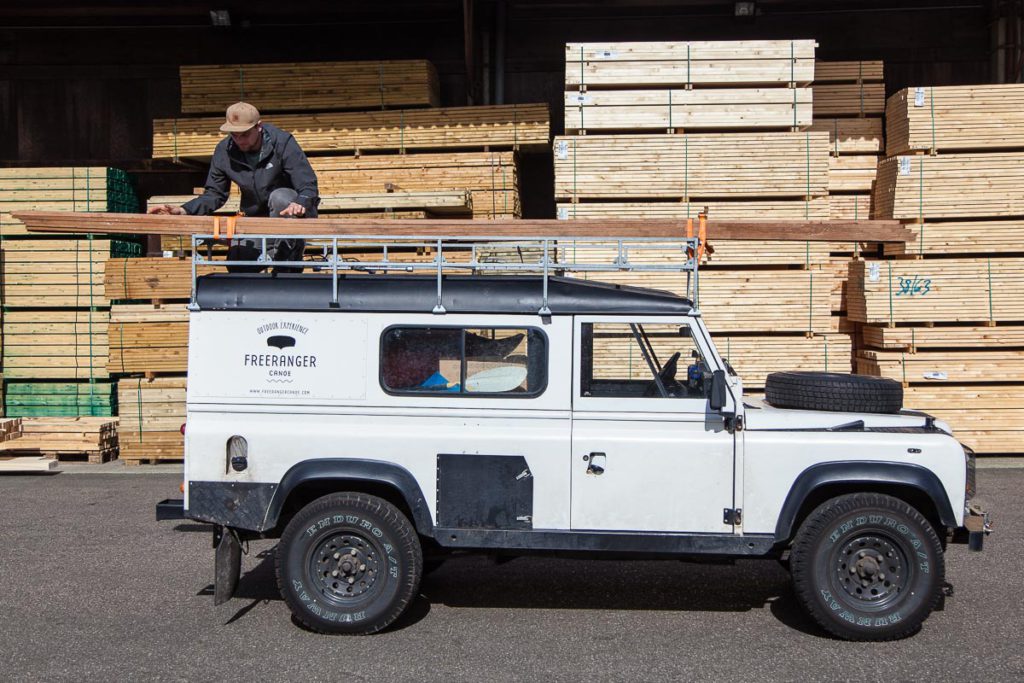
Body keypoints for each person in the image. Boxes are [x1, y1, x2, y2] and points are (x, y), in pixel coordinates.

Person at [148, 101, 320, 272]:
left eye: (244, 134)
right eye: (234, 135)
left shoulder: (282, 143)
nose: (239, 140)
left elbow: (308, 185)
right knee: (237, 262)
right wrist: (184, 210)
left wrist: (300, 203)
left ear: (258, 126)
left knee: (281, 197)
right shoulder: (224, 151)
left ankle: (287, 259)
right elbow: (215, 194)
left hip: (290, 217)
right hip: (255, 218)